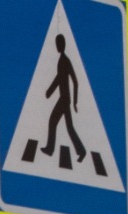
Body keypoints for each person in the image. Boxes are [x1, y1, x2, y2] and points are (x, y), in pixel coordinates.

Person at [41, 34, 86, 162]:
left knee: (52, 121)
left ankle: (50, 149)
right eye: (56, 43)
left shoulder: (64, 60)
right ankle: (81, 151)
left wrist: (75, 102)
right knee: (69, 127)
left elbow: (74, 81)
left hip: (64, 99)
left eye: (58, 43)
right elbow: (59, 78)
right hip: (65, 98)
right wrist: (49, 91)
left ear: (62, 45)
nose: (57, 46)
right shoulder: (62, 60)